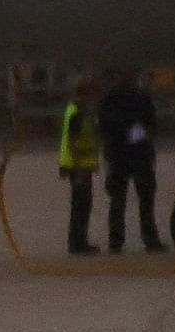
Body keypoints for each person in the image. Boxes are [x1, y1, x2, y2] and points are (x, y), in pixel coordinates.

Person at [95, 72, 165, 253]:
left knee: (140, 200)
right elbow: (107, 128)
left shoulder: (118, 100)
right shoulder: (114, 100)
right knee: (122, 201)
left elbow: (151, 126)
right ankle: (121, 240)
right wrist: (134, 135)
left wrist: (131, 136)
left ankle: (136, 239)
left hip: (131, 155)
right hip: (126, 155)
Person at [56, 79, 102, 255]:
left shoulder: (75, 111)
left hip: (81, 167)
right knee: (81, 206)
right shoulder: (77, 113)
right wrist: (79, 169)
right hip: (79, 168)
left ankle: (78, 242)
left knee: (81, 206)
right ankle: (78, 244)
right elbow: (74, 143)